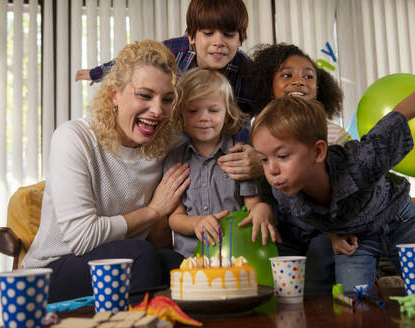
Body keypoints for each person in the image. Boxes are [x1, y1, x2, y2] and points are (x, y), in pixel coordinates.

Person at [22, 40, 191, 303]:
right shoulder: (74, 138)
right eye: (144, 96)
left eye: (167, 99)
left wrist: (254, 160)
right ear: (114, 95)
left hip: (127, 261)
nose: (157, 111)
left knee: (179, 266)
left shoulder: (168, 147)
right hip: (49, 275)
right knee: (140, 256)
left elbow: (211, 147)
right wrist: (153, 211)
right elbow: (82, 237)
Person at [75, 0, 263, 181]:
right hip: (180, 142)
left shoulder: (249, 73)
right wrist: (95, 73)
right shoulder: (175, 51)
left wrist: (261, 157)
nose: (218, 42)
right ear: (191, 37)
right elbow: (136, 62)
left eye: (228, 35)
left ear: (241, 39)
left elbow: (272, 118)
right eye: (208, 33)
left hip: (228, 153)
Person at [250, 95, 415, 291]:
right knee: (352, 300)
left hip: (400, 221)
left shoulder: (361, 161)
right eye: (264, 160)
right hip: (356, 239)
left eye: (282, 156)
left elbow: (397, 117)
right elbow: (314, 217)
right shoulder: (284, 193)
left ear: (318, 152)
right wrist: (332, 236)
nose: (272, 170)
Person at [247, 43, 354, 292]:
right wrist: (262, 205)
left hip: (325, 230)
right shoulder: (259, 133)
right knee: (281, 285)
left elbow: (347, 189)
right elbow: (262, 183)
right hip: (284, 229)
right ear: (269, 87)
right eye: (287, 75)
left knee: (319, 272)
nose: (299, 81)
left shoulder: (336, 135)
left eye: (308, 76)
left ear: (319, 88)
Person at [164, 67, 280, 258]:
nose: (203, 117)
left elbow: (252, 206)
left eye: (214, 110)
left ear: (227, 114)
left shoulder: (240, 155)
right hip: (191, 258)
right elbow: (175, 218)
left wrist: (261, 210)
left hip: (235, 254)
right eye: (193, 110)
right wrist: (196, 223)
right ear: (180, 115)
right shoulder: (174, 159)